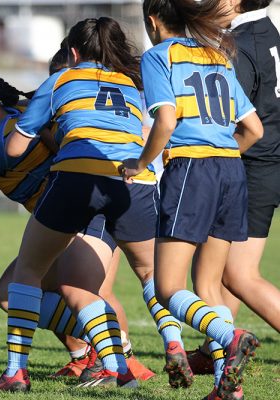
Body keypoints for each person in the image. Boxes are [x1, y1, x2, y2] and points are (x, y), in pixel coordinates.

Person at [0, 74, 155, 383]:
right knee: (64, 291)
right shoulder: (23, 112)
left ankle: (118, 356)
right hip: (94, 208)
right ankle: (103, 355)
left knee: (41, 291)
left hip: (76, 218)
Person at [122, 1, 264, 399]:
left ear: (152, 21)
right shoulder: (215, 54)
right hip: (232, 172)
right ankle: (227, 389)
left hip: (193, 172)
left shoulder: (157, 56)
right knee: (208, 286)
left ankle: (231, 337)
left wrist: (140, 162)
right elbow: (253, 129)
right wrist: (221, 153)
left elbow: (166, 121)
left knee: (168, 287)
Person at [187, 0, 280, 376]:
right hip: (268, 159)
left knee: (239, 275)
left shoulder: (241, 41)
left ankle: (219, 346)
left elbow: (230, 117)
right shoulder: (269, 31)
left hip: (255, 162)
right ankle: (218, 348)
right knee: (224, 268)